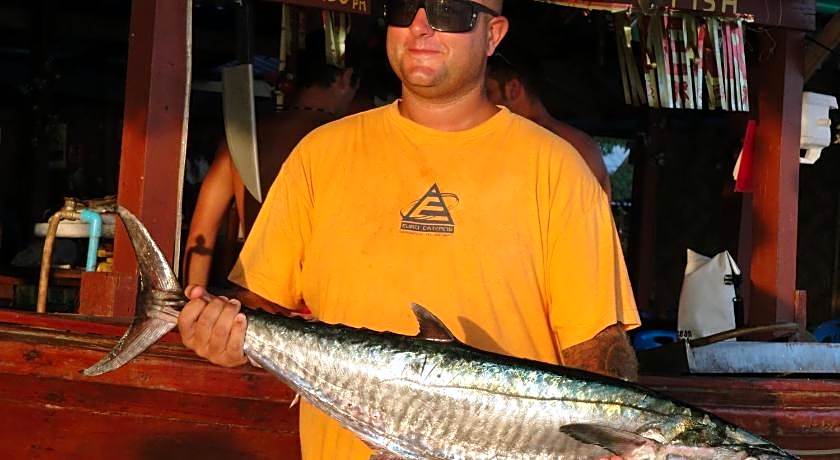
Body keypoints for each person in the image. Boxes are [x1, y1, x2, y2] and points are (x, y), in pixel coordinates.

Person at [178, 1, 641, 459]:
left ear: (493, 34)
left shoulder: (557, 168)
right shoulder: (320, 155)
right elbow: (260, 306)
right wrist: (223, 334)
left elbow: (597, 342)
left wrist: (619, 436)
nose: (420, 26)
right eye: (404, 8)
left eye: (448, 12)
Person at [182, 51, 359, 288]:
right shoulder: (351, 143)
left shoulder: (245, 138)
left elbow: (200, 236)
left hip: (256, 293)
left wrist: (192, 299)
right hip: (321, 301)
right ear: (345, 79)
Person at [486, 53, 613, 198]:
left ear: (513, 89)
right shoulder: (580, 144)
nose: (481, 104)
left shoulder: (571, 148)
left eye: (488, 93)